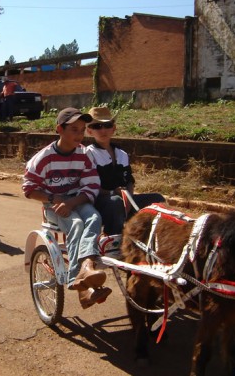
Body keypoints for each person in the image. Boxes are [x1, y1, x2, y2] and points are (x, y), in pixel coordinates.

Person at [22, 107, 112, 309]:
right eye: (74, 130)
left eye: (81, 130)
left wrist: (71, 202)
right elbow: (28, 188)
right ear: (59, 129)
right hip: (53, 205)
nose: (79, 135)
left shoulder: (83, 155)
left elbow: (92, 185)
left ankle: (86, 267)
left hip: (77, 201)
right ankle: (76, 281)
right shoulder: (44, 158)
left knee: (94, 218)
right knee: (77, 224)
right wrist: (53, 198)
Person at [86, 106, 166, 235]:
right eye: (97, 126)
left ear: (113, 128)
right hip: (100, 203)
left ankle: (146, 239)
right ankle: (114, 240)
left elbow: (129, 181)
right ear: (90, 131)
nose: (103, 130)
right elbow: (90, 187)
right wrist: (113, 192)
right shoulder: (88, 154)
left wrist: (128, 198)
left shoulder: (122, 154)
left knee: (158, 199)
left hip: (123, 200)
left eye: (107, 125)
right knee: (116, 202)